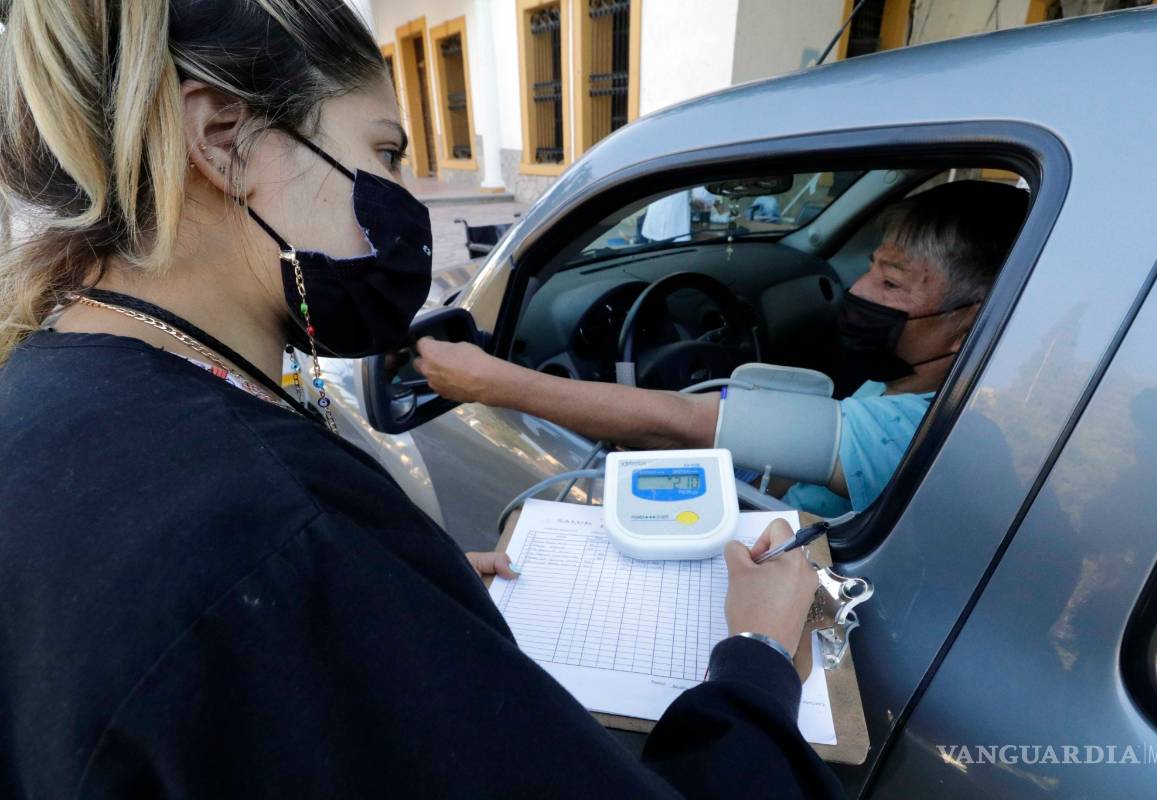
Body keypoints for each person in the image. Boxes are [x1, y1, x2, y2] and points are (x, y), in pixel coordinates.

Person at [0, 2, 842, 797]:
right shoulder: (277, 536)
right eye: (386, 153)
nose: (406, 200)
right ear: (224, 142)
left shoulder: (46, 386)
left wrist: (394, 597)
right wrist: (760, 651)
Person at [415, 181, 1028, 517]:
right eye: (871, 266)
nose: (858, 290)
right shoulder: (914, 387)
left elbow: (680, 419)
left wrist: (491, 382)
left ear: (972, 323)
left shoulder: (912, 431)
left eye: (891, 284)